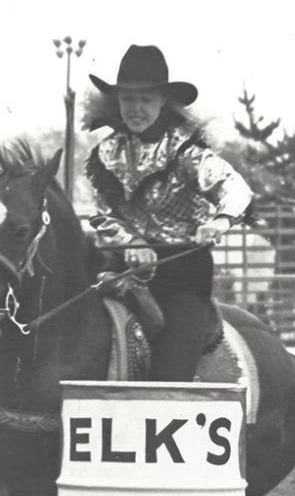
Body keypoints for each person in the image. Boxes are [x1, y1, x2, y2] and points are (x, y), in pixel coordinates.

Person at [84, 44, 256, 382]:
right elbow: (102, 215)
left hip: (180, 276)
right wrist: (130, 241)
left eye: (145, 100)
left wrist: (220, 220)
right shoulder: (105, 153)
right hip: (121, 272)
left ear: (163, 100)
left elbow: (234, 187)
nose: (136, 109)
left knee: (170, 374)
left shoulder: (188, 151)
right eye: (128, 99)